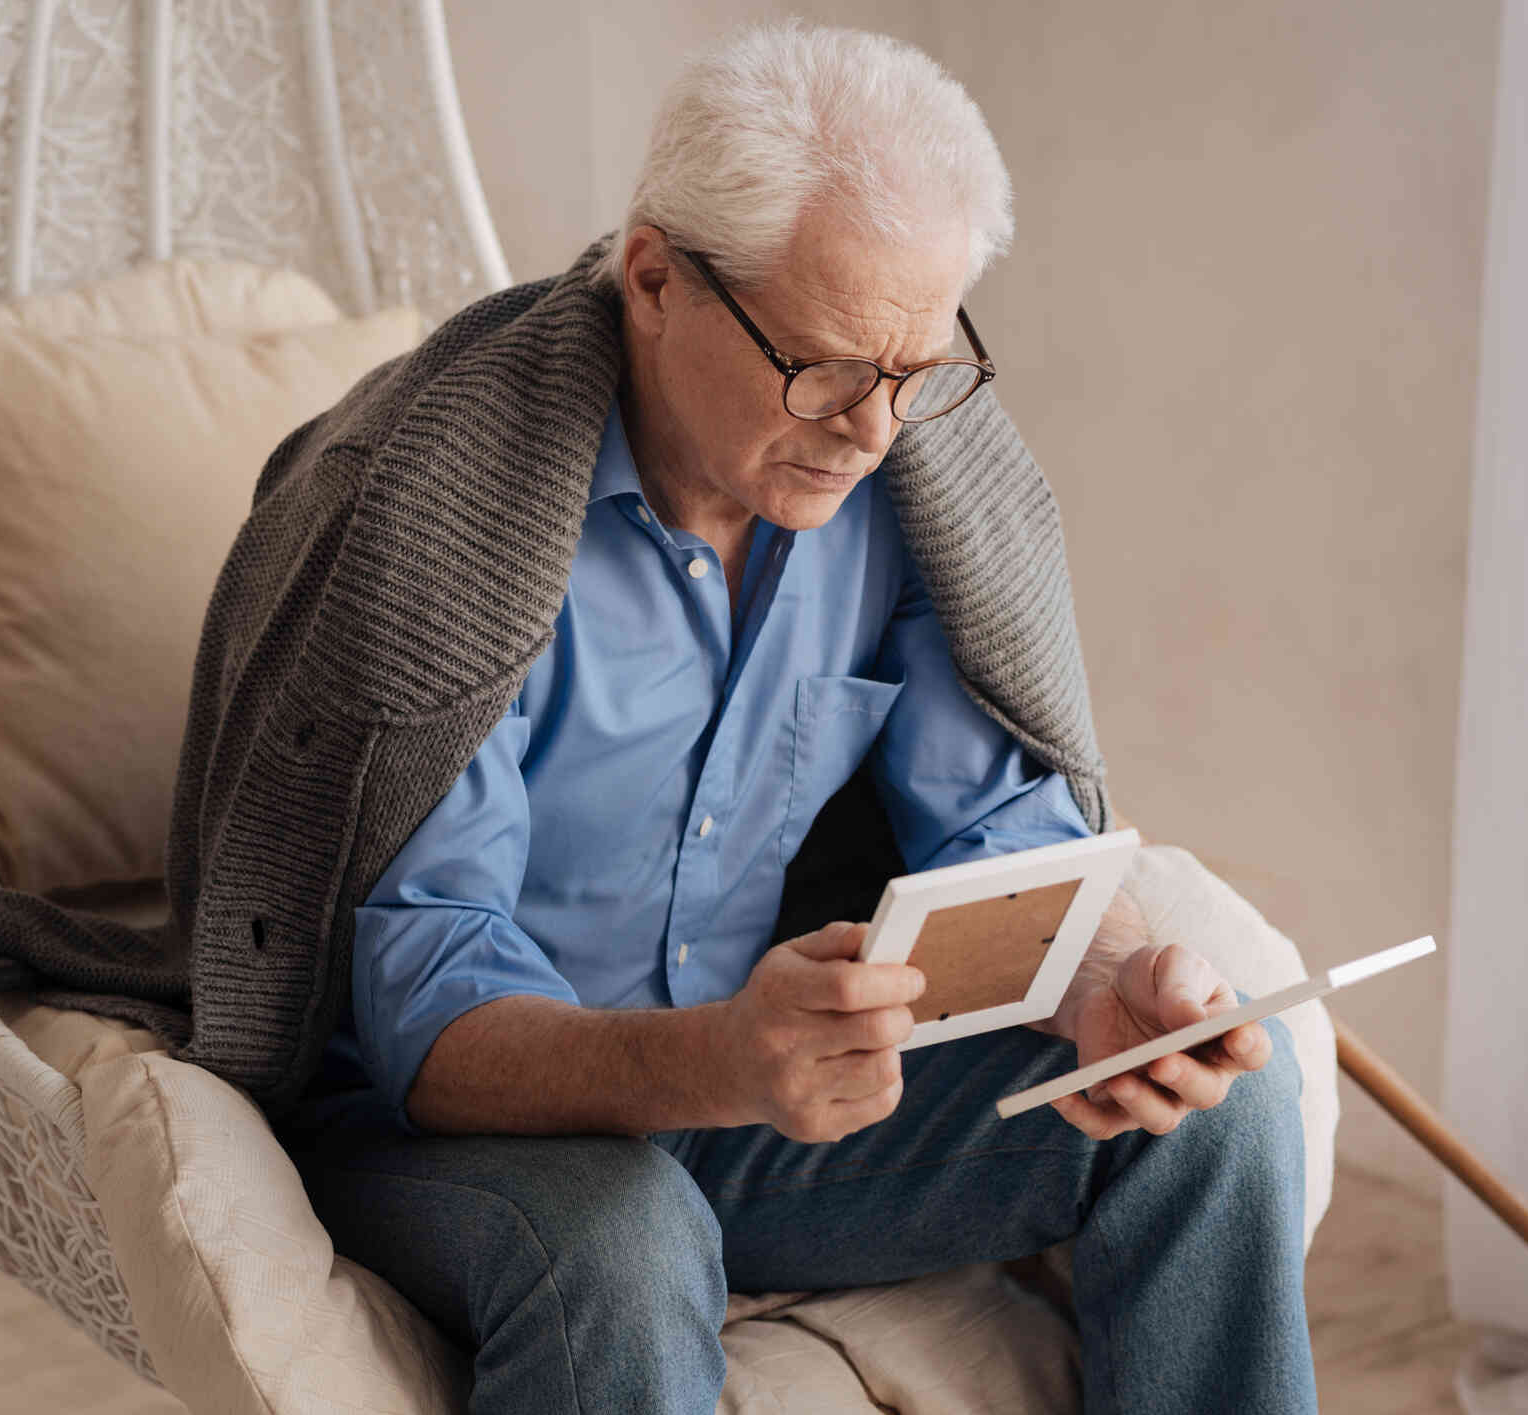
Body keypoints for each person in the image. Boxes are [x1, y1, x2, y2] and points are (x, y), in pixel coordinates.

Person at [274, 22, 1315, 1414]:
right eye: (823, 365)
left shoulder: (908, 492)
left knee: (1220, 1105)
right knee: (626, 1238)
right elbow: (423, 1016)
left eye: (917, 368)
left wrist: (1106, 985)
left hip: (763, 1092)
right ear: (655, 277)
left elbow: (995, 835)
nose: (874, 427)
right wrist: (716, 1061)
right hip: (456, 1130)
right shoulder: (449, 512)